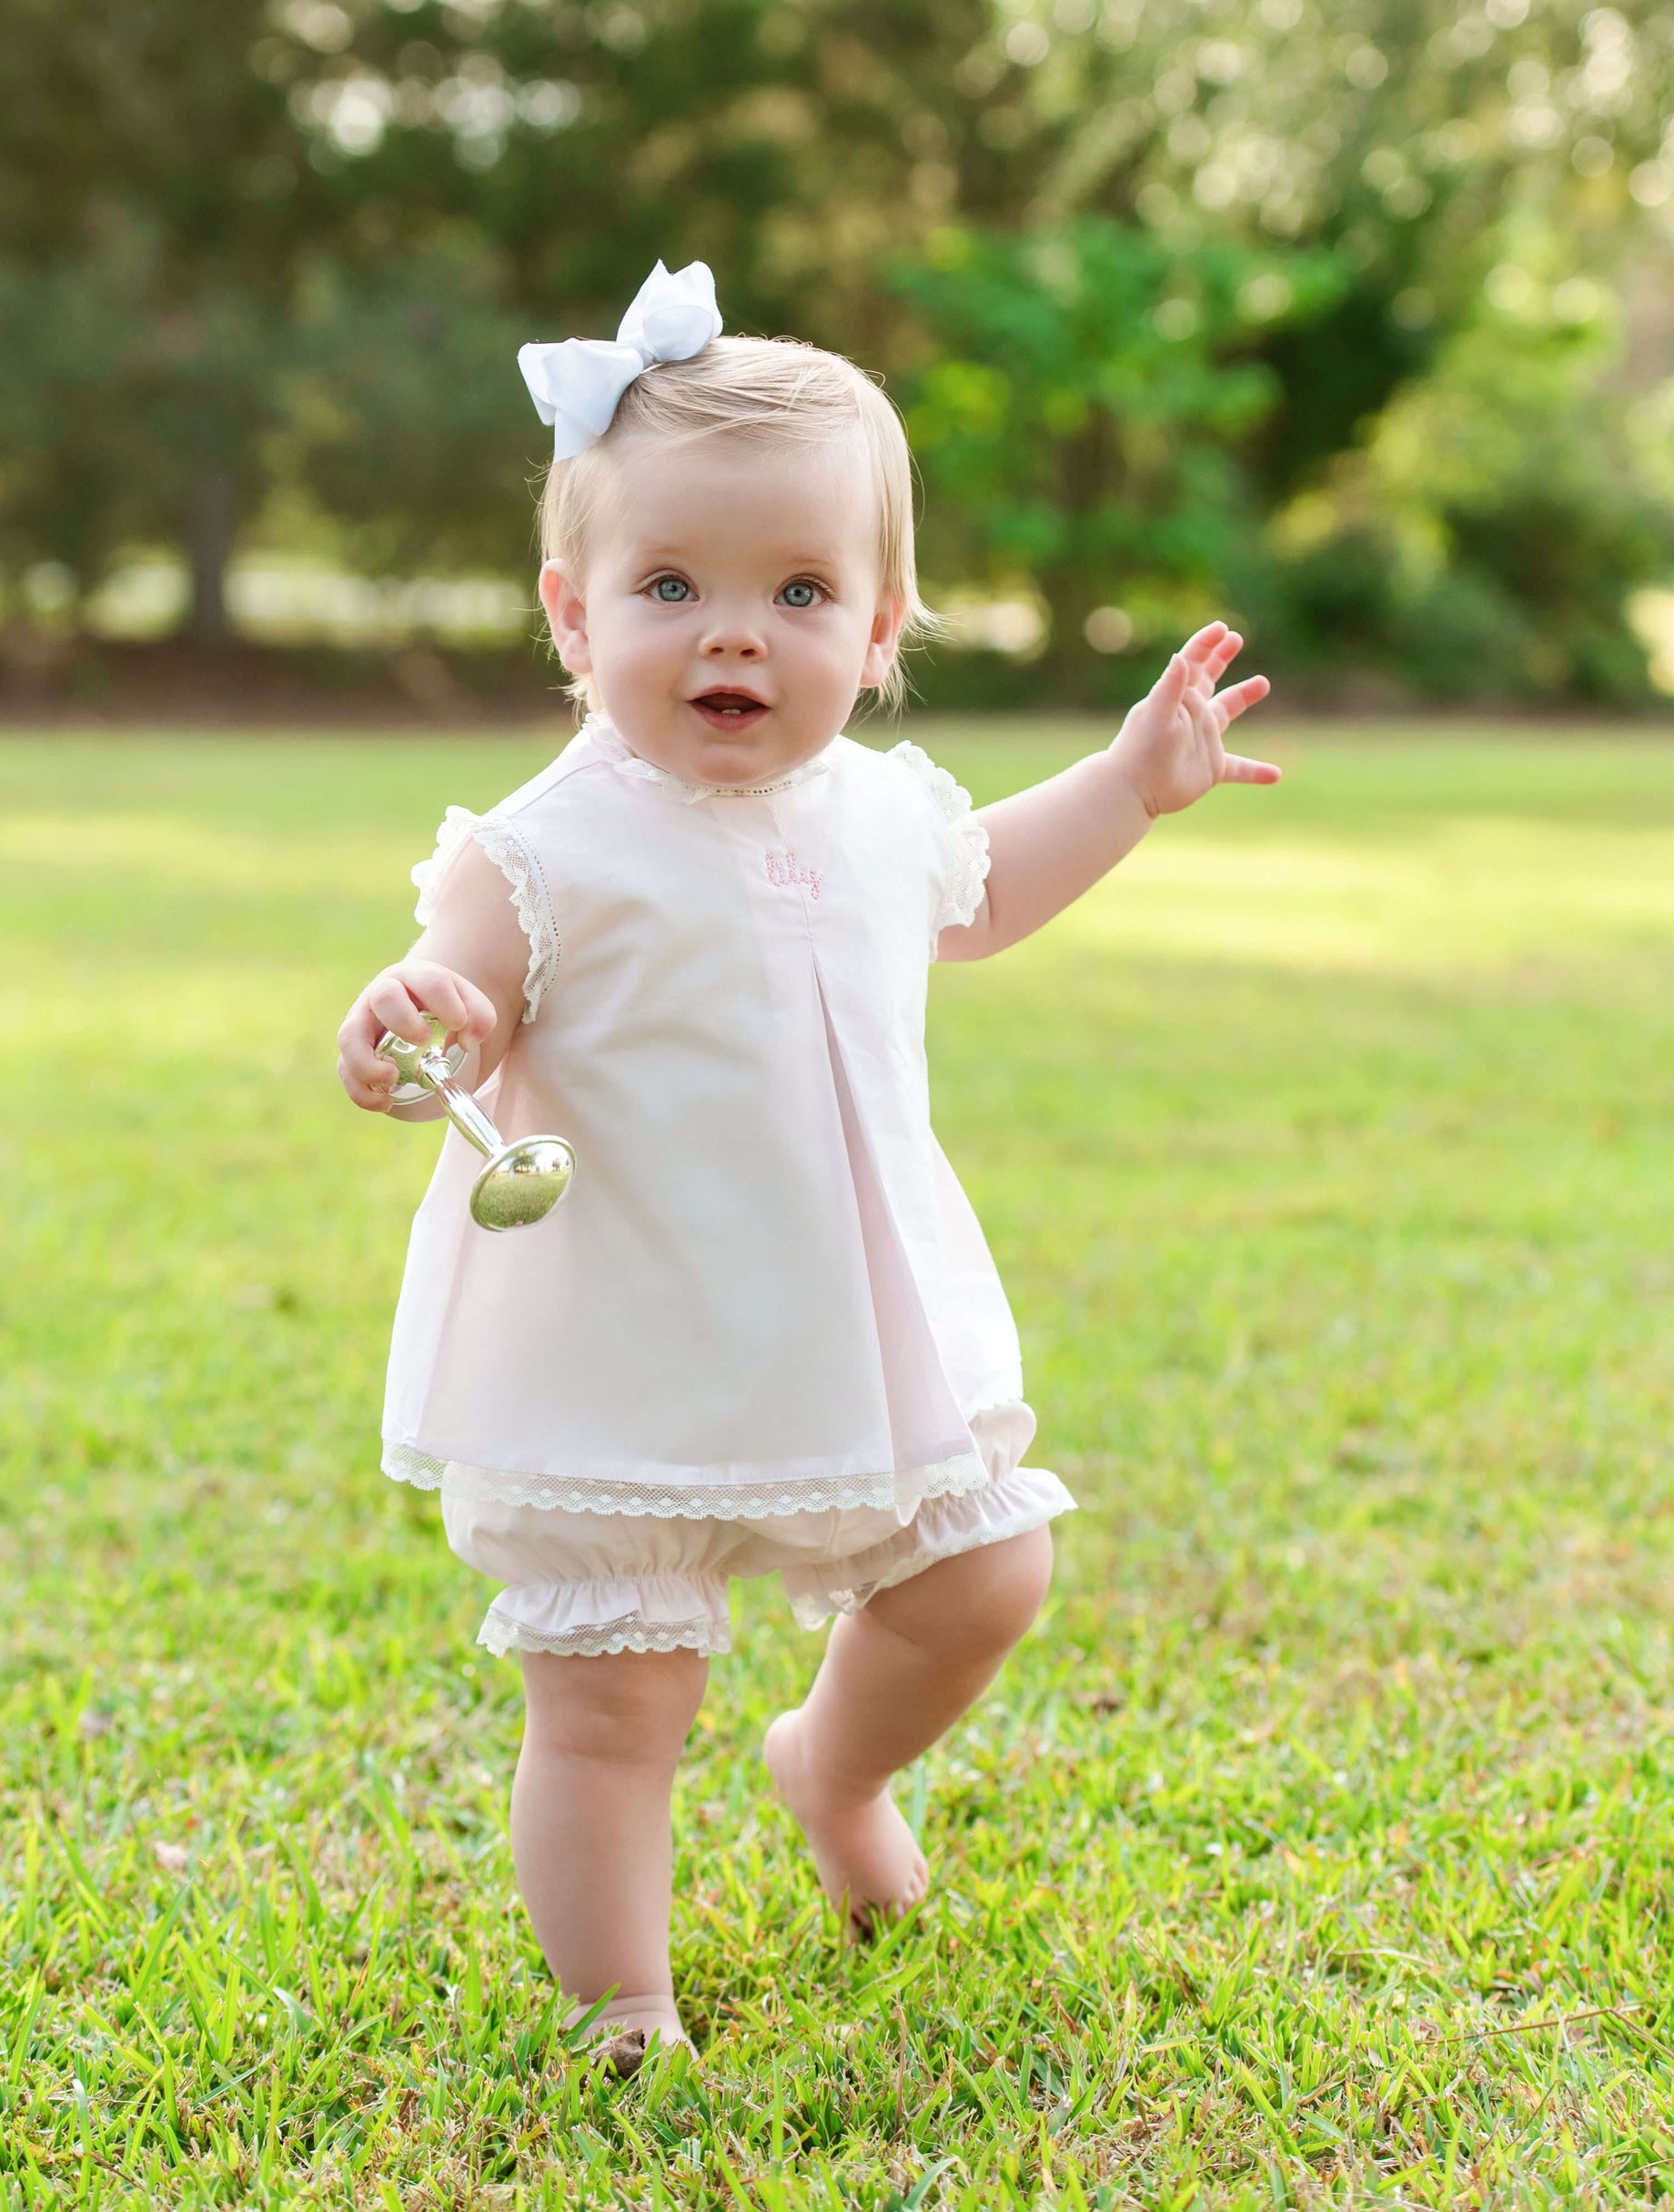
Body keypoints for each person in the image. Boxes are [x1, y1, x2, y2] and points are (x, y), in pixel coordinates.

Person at [336, 260, 1276, 2074]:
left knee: (984, 1579)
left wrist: (1128, 783)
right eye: (669, 586)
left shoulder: (876, 811)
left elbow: (985, 890)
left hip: (848, 1324)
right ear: (570, 610)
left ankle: (829, 1768)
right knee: (615, 1697)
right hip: (621, 1334)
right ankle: (622, 1998)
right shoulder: (544, 847)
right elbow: (449, 995)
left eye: (796, 591)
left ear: (879, 623)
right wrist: (408, 1020)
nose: (732, 636)